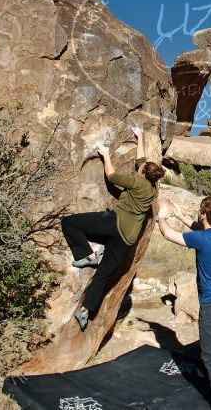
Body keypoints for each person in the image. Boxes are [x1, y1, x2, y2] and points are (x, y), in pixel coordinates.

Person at [61, 124, 165, 330]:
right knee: (103, 276)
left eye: (140, 170)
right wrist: (140, 136)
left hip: (114, 223)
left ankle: (86, 255)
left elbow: (112, 177)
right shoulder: (152, 187)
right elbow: (141, 161)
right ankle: (86, 311)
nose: (139, 168)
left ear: (142, 174)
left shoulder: (137, 183)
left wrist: (105, 154)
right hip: (127, 240)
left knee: (69, 222)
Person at [157, 197, 211, 410]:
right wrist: (180, 215)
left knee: (210, 355)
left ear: (203, 214)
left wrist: (161, 216)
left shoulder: (202, 240)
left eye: (198, 211)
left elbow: (167, 234)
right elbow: (200, 230)